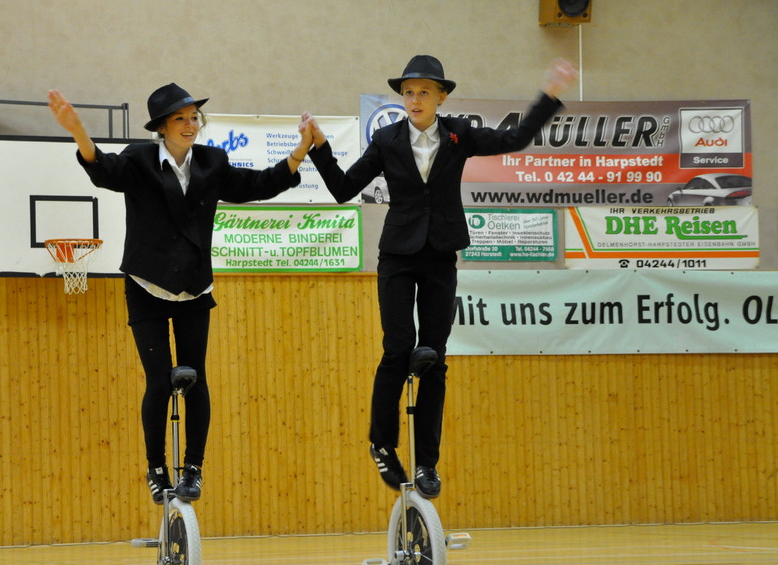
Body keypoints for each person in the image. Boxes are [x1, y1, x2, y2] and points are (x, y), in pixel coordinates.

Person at [304, 56, 578, 499]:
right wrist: (319, 147)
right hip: (397, 254)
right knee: (397, 350)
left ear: (441, 97)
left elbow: (514, 138)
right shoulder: (387, 139)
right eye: (408, 92)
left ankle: (427, 462)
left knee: (434, 355)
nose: (415, 100)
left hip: (440, 254)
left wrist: (549, 95)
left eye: (424, 92)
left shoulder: (458, 135)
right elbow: (342, 189)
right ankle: (382, 444)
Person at [49, 83, 313, 503]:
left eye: (194, 117)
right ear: (161, 127)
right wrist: (79, 131)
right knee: (158, 381)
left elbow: (260, 185)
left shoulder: (212, 162)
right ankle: (156, 468)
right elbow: (104, 171)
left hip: (194, 285)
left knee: (196, 379)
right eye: (180, 119)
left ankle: (193, 468)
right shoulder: (139, 161)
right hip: (146, 284)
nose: (190, 125)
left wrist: (300, 150)